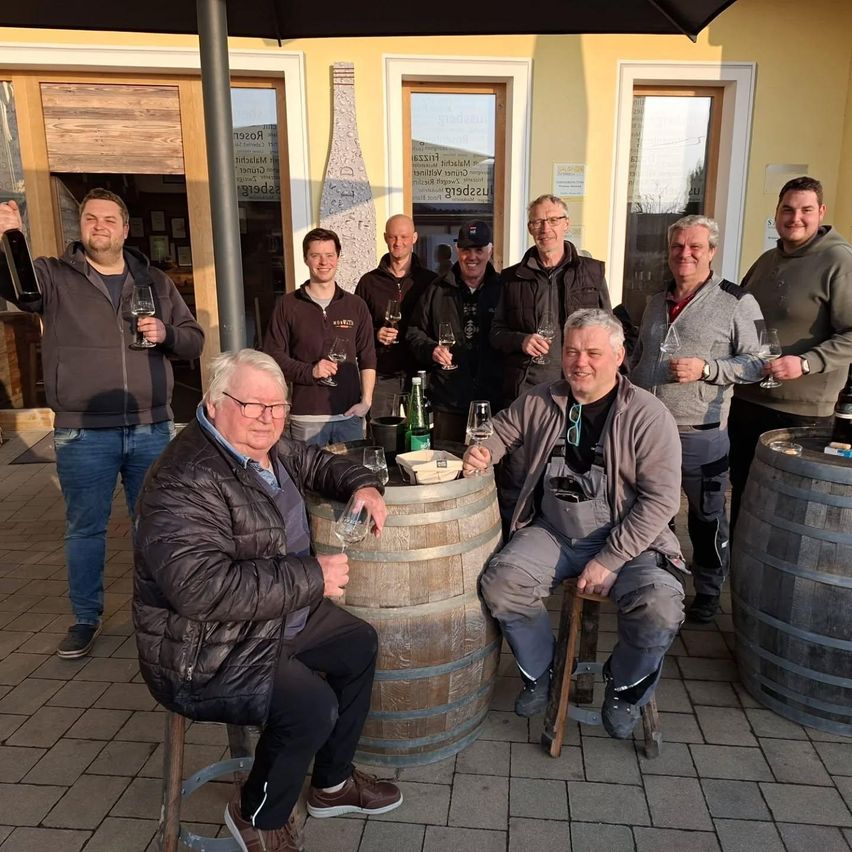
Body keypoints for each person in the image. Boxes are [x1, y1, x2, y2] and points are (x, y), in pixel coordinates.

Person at [133, 349, 403, 852]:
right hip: (206, 646)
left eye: (278, 406)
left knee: (359, 643)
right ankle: (257, 813)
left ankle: (332, 784)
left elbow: (318, 462)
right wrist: (310, 577)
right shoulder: (184, 479)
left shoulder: (266, 446)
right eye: (253, 405)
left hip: (277, 618)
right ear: (214, 404)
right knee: (311, 708)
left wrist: (363, 485)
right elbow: (198, 589)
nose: (269, 418)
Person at [0, 189, 204, 659]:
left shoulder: (153, 281)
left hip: (151, 425)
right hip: (83, 429)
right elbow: (15, 287)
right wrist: (10, 236)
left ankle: (154, 609)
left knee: (153, 524)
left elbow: (194, 340)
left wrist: (167, 333)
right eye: (91, 218)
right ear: (82, 227)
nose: (99, 226)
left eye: (109, 219)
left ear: (125, 228)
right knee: (85, 529)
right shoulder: (53, 275)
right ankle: (85, 618)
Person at [466, 309, 685, 737]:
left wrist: (611, 558)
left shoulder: (648, 415)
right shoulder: (541, 399)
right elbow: (498, 431)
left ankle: (624, 688)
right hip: (555, 531)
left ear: (619, 356)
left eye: (592, 353)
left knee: (659, 607)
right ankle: (543, 672)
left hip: (631, 538)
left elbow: (661, 500)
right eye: (571, 351)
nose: (580, 362)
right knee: (502, 583)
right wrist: (483, 451)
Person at [630, 215, 764, 623]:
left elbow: (758, 364)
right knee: (654, 514)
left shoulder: (738, 301)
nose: (684, 254)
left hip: (699, 435)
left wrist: (707, 369)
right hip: (649, 432)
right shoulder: (656, 300)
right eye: (677, 247)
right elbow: (638, 358)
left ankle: (707, 591)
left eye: (694, 247)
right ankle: (661, 582)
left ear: (711, 252)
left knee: (706, 519)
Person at [729, 176, 852, 529]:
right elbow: (745, 313)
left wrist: (805, 362)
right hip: (750, 398)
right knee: (744, 490)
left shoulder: (838, 261)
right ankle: (740, 568)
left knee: (789, 505)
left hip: (802, 413)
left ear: (821, 212)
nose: (795, 217)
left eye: (806, 210)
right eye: (788, 209)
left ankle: (777, 580)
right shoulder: (768, 260)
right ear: (777, 212)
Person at [490, 194, 611, 407]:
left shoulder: (592, 272)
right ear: (530, 229)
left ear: (566, 224)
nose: (545, 229)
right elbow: (496, 333)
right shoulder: (511, 278)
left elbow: (609, 330)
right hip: (528, 389)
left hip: (579, 384)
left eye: (553, 220)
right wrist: (521, 340)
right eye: (538, 222)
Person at [264, 227, 376, 445]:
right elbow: (273, 355)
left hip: (349, 416)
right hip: (307, 417)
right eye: (316, 255)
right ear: (306, 259)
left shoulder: (356, 306)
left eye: (329, 255)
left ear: (338, 258)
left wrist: (366, 401)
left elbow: (368, 356)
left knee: (350, 478)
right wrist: (310, 371)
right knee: (308, 479)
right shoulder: (288, 305)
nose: (323, 262)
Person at [406, 220, 503, 442]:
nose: (472, 257)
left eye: (479, 250)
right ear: (457, 250)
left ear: (490, 250)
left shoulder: (504, 289)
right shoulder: (437, 289)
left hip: (493, 402)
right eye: (466, 250)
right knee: (447, 468)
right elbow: (414, 333)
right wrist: (431, 350)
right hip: (449, 400)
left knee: (489, 470)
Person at [354, 214, 433, 415]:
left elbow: (437, 324)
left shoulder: (430, 281)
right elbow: (356, 329)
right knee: (383, 439)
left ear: (414, 238)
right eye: (393, 237)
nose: (398, 242)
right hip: (382, 375)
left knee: (420, 436)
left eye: (404, 237)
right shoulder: (368, 282)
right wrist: (375, 333)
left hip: (420, 374)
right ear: (385, 238)